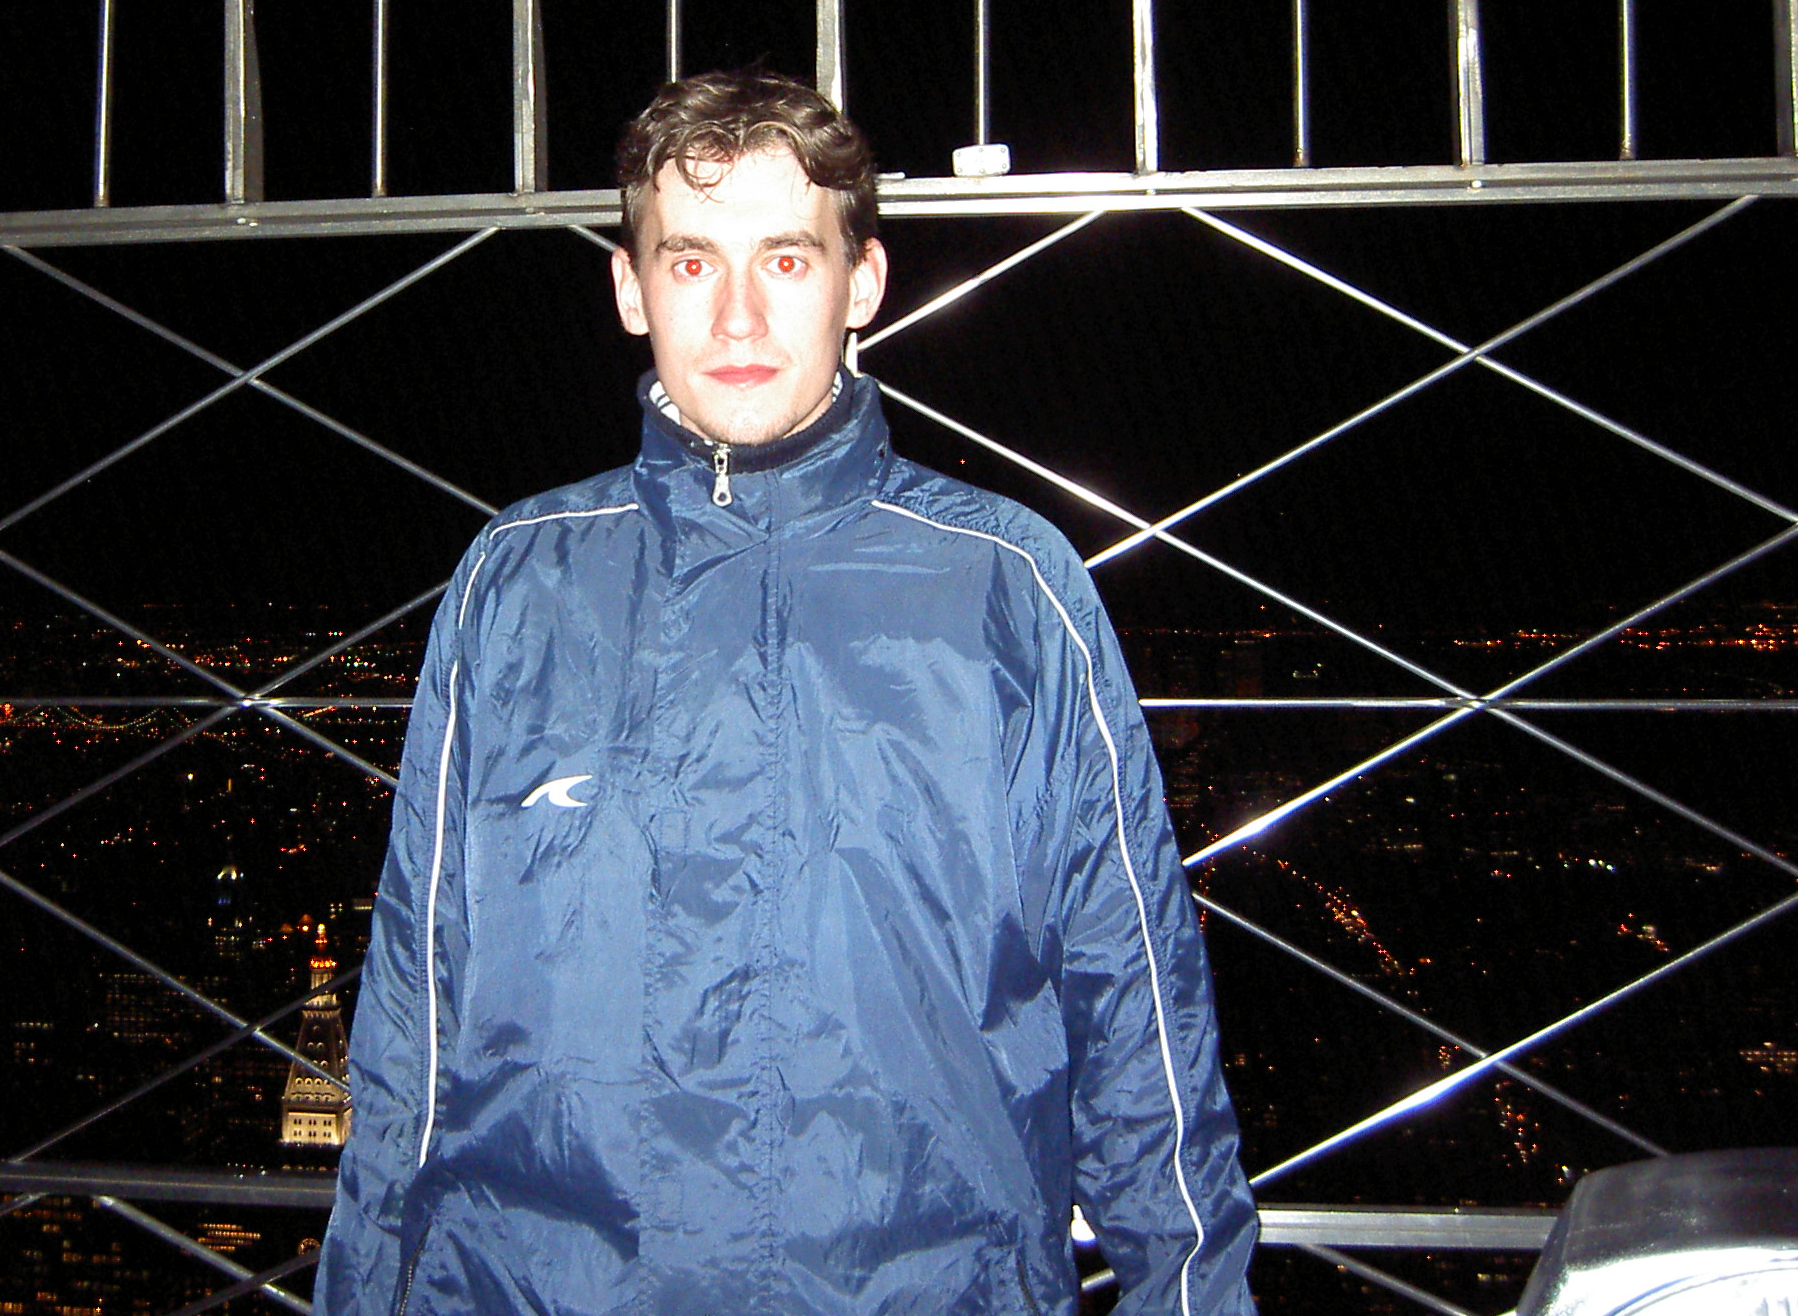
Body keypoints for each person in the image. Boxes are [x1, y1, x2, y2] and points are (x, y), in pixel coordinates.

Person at [316, 70, 1257, 1315]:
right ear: (630, 289)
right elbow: (413, 1013)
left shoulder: (1008, 585)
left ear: (861, 283)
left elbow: (1136, 1010)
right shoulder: (516, 582)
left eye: (787, 259)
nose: (739, 317)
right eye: (692, 262)